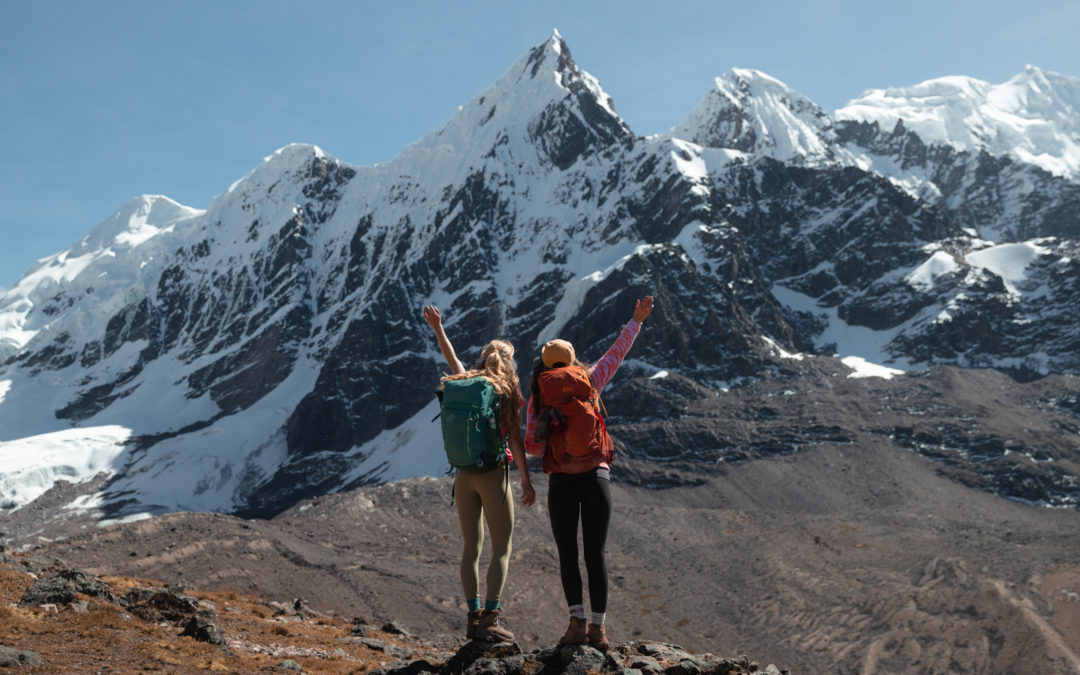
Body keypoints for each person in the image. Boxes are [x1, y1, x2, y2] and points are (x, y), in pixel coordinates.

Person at [525, 295, 655, 651]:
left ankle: (576, 625)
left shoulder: (539, 397)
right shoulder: (590, 381)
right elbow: (616, 354)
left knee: (568, 552)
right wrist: (636, 321)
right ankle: (599, 631)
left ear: (546, 365)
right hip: (596, 476)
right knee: (594, 553)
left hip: (562, 481)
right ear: (572, 360)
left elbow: (533, 447)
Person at [423, 304, 536, 642]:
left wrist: (438, 327)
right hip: (492, 476)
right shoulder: (507, 392)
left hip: (464, 475)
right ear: (508, 362)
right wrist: (527, 481)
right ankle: (491, 617)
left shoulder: (466, 380)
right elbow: (515, 439)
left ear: (484, 358)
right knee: (501, 548)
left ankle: (473, 618)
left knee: (470, 548)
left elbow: (450, 356)